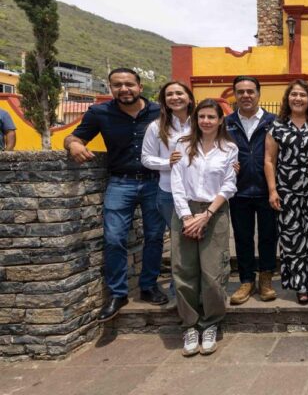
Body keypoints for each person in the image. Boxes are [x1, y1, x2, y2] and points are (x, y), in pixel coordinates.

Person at [64, 68, 168, 322]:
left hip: (155, 182)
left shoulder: (160, 112)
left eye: (129, 84)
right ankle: (118, 294)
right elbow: (73, 137)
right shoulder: (99, 113)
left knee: (155, 236)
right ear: (110, 88)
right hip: (120, 183)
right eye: (117, 85)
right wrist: (74, 144)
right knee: (113, 238)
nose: (124, 89)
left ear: (139, 87)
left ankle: (148, 285)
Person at [170, 99, 237, 356]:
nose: (206, 121)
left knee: (212, 271)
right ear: (196, 119)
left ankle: (210, 323)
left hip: (215, 211)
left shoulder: (229, 148)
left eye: (211, 117)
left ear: (220, 120)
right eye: (202, 117)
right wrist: (187, 217)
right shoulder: (183, 145)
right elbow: (176, 181)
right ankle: (189, 325)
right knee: (183, 269)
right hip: (184, 210)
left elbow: (229, 184)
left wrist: (207, 215)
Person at [265, 80, 308, 304]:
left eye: (302, 95)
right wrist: (272, 190)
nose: (298, 99)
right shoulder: (277, 127)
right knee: (292, 238)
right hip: (287, 191)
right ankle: (300, 284)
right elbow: (269, 160)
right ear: (287, 99)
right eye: (294, 94)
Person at [225, 76, 278, 305]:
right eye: (240, 92)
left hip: (268, 190)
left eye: (250, 91)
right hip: (239, 190)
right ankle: (246, 280)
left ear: (258, 93)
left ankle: (266, 279)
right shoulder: (226, 123)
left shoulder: (273, 121)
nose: (245, 95)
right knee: (242, 237)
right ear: (235, 95)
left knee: (269, 236)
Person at [141, 80, 195, 305]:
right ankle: (171, 289)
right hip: (169, 192)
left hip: (197, 192)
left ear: (189, 97)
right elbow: (146, 158)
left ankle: (189, 287)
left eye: (179, 93)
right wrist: (167, 162)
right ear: (164, 100)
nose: (175, 97)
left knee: (190, 241)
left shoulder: (200, 121)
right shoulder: (156, 127)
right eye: (169, 94)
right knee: (172, 240)